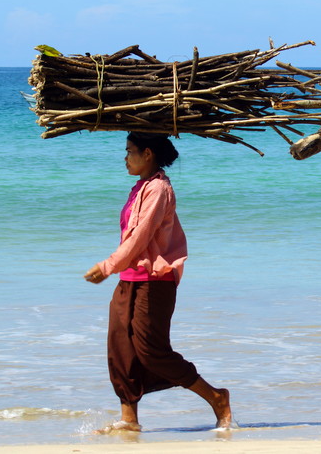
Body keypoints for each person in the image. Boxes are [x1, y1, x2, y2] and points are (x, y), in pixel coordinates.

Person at [84, 132, 231, 434]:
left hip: (155, 280)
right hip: (130, 278)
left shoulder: (159, 190)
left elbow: (141, 236)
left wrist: (108, 265)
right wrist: (118, 269)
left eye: (129, 151)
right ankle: (128, 419)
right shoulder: (139, 188)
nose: (125, 158)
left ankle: (217, 398)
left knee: (152, 351)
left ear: (147, 153)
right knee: (120, 347)